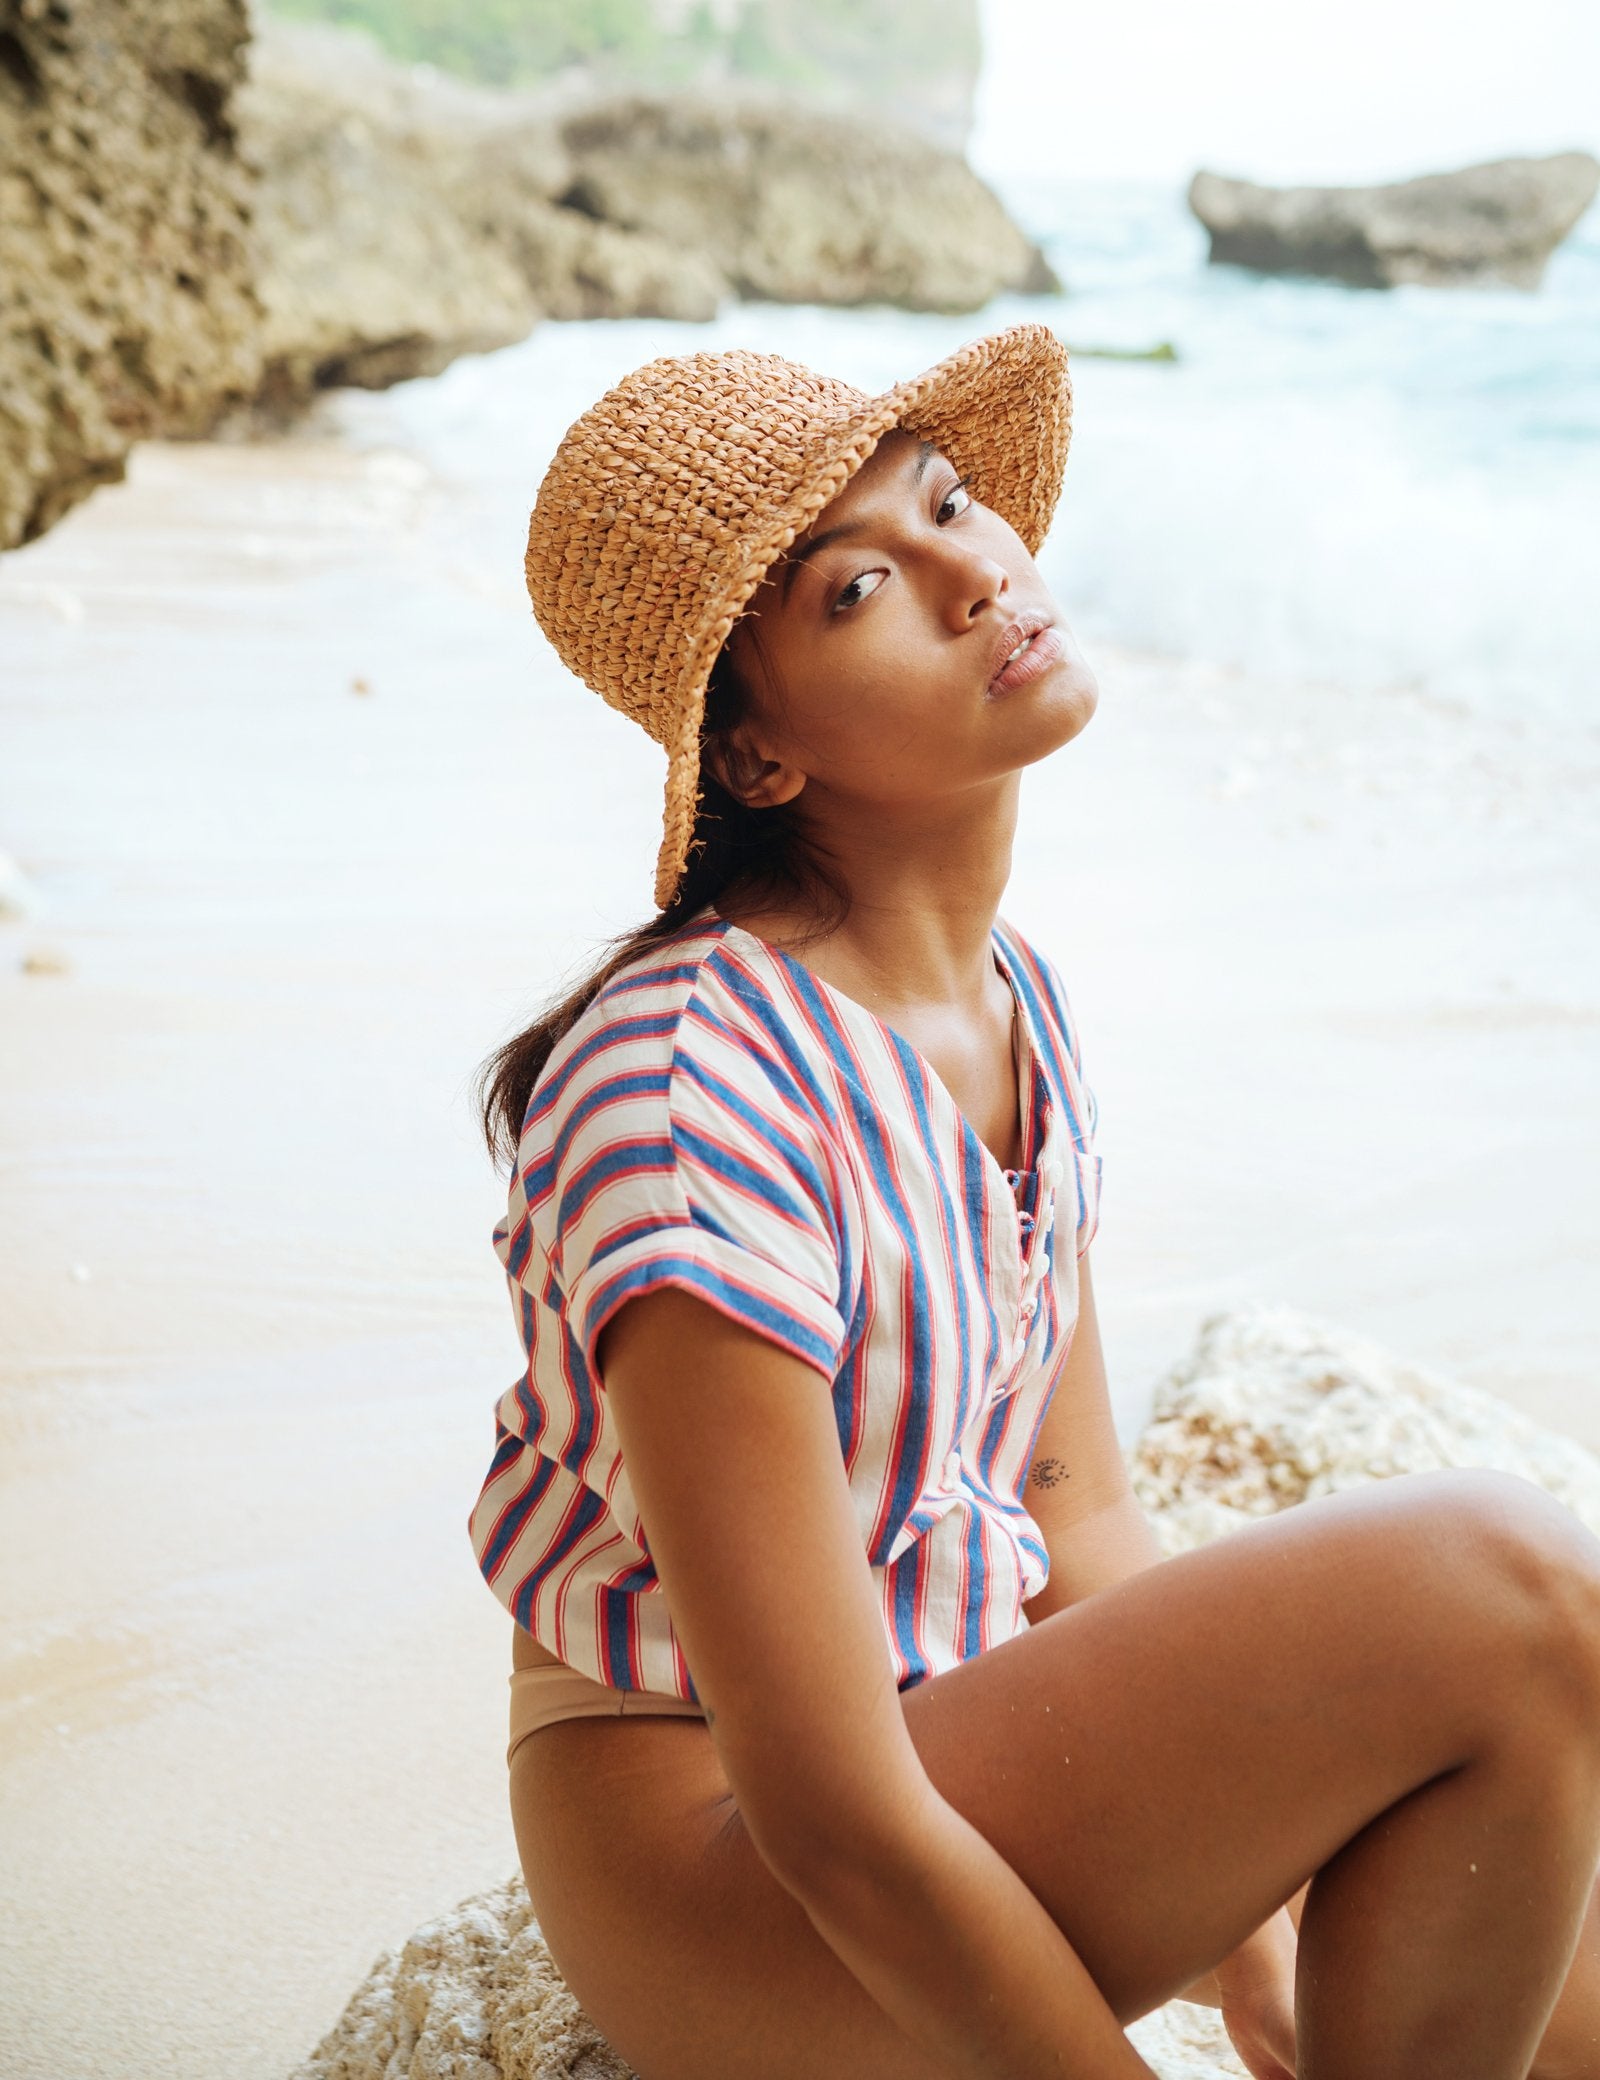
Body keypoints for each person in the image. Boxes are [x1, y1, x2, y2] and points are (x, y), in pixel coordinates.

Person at [469, 324, 1600, 2080]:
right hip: (726, 1868)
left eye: (952, 503)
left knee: (1568, 1945)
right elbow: (831, 1804)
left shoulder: (1012, 1004)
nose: (973, 573)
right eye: (859, 590)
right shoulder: (688, 1094)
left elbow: (1073, 1531)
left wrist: (1262, 1966)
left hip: (953, 1742)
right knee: (1521, 1586)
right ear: (757, 757)